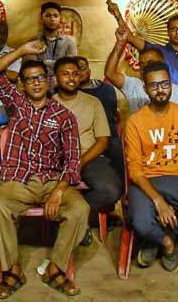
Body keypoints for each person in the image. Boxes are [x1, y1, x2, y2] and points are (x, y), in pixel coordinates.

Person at [0, 41, 88, 299]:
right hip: (18, 182)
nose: (36, 83)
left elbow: (73, 160)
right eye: (29, 79)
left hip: (53, 182)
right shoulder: (16, 104)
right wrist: (21, 51)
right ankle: (12, 270)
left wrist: (59, 191)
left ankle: (56, 266)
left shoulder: (64, 116)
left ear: (48, 80)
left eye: (40, 77)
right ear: (22, 84)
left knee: (80, 210)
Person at [123, 61, 178, 272]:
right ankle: (166, 243)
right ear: (145, 89)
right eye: (154, 85)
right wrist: (159, 201)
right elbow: (135, 170)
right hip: (145, 182)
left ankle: (158, 235)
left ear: (171, 84)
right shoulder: (135, 122)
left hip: (177, 180)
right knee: (139, 221)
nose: (160, 89)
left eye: (164, 84)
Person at [52, 57, 121, 232]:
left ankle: (74, 219)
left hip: (88, 156)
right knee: (39, 188)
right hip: (56, 161)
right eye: (65, 74)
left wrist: (79, 162)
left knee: (111, 190)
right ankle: (76, 225)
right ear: (55, 78)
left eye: (75, 74)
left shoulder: (93, 102)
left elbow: (103, 140)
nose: (71, 78)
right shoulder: (48, 105)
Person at [108, 5, 178, 111]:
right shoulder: (158, 51)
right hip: (162, 108)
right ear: (168, 31)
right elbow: (129, 37)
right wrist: (118, 16)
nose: (177, 32)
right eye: (173, 29)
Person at [76, 55, 125, 184]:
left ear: (89, 70)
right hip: (84, 139)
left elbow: (112, 115)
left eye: (82, 68)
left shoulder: (106, 89)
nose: (79, 73)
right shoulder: (71, 94)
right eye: (75, 71)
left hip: (108, 137)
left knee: (119, 150)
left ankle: (123, 190)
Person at [24, 1, 77, 83]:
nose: (52, 19)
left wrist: (44, 62)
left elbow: (71, 67)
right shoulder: (32, 42)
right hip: (39, 84)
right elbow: (31, 67)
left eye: (55, 16)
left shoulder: (69, 42)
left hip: (62, 86)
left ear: (60, 19)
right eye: (48, 16)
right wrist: (59, 63)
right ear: (41, 19)